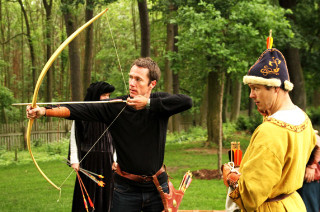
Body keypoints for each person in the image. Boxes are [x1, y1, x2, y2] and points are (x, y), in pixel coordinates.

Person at [26, 57, 193, 212]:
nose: (132, 83)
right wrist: (43, 110)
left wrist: (148, 103)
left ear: (152, 83)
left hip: (157, 187)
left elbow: (186, 101)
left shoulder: (160, 104)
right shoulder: (116, 107)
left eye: (138, 79)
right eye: (130, 77)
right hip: (126, 189)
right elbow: (81, 108)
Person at [223, 48, 317, 212]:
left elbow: (251, 196)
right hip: (294, 204)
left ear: (275, 88)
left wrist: (231, 177)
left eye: (256, 88)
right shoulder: (303, 119)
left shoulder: (270, 131)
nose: (251, 95)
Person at [69, 81, 115, 212]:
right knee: (88, 194)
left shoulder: (110, 113)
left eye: (108, 95)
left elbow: (116, 139)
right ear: (95, 96)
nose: (107, 98)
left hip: (107, 160)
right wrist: (75, 160)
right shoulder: (82, 113)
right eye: (104, 95)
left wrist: (115, 160)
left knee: (107, 195)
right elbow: (75, 136)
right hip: (88, 160)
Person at [297, 133, 320, 212]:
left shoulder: (302, 125)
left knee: (309, 206)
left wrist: (311, 165)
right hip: (298, 176)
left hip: (308, 177)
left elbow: (318, 144)